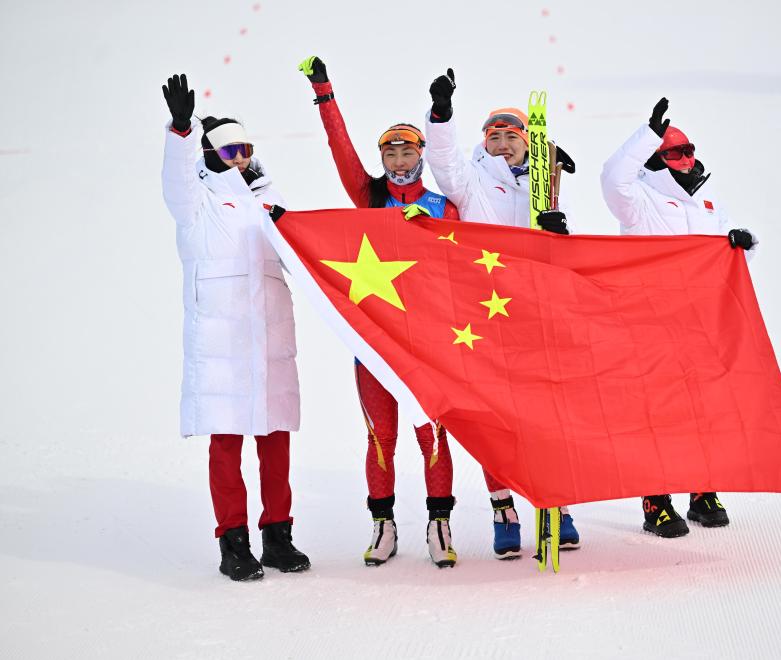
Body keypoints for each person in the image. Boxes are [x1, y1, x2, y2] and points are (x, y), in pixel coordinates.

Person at [298, 56, 458, 568]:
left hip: (427, 343)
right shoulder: (368, 196)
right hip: (374, 343)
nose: (398, 158)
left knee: (431, 434)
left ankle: (439, 525)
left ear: (422, 154)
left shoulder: (443, 206)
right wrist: (324, 91)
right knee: (380, 436)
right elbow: (339, 148)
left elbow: (463, 269)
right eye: (390, 150)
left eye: (407, 149)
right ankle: (382, 525)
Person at [423, 68, 579, 559]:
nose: (504, 144)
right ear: (484, 143)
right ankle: (503, 508)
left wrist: (558, 234)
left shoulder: (543, 186)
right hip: (484, 318)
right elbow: (443, 162)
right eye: (495, 137)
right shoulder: (472, 181)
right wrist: (441, 116)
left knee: (546, 414)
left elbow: (556, 260)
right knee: (494, 418)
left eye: (513, 137)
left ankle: (556, 502)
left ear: (527, 143)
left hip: (534, 313)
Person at [160, 74, 310, 581]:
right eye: (229, 151)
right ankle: (233, 542)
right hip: (220, 345)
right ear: (209, 153)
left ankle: (278, 536)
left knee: (276, 443)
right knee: (226, 446)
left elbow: (303, 254)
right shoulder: (197, 202)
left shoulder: (270, 199)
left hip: (270, 341)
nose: (240, 159)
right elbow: (177, 182)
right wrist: (181, 133)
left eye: (245, 149)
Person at [599, 97, 758, 538]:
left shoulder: (707, 202)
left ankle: (702, 490)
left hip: (700, 323)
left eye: (689, 150)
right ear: (656, 159)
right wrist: (648, 134)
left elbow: (725, 264)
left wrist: (741, 243)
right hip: (650, 323)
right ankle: (656, 501)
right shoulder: (638, 199)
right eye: (675, 152)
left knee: (703, 407)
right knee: (658, 412)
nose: (686, 159)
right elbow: (612, 177)